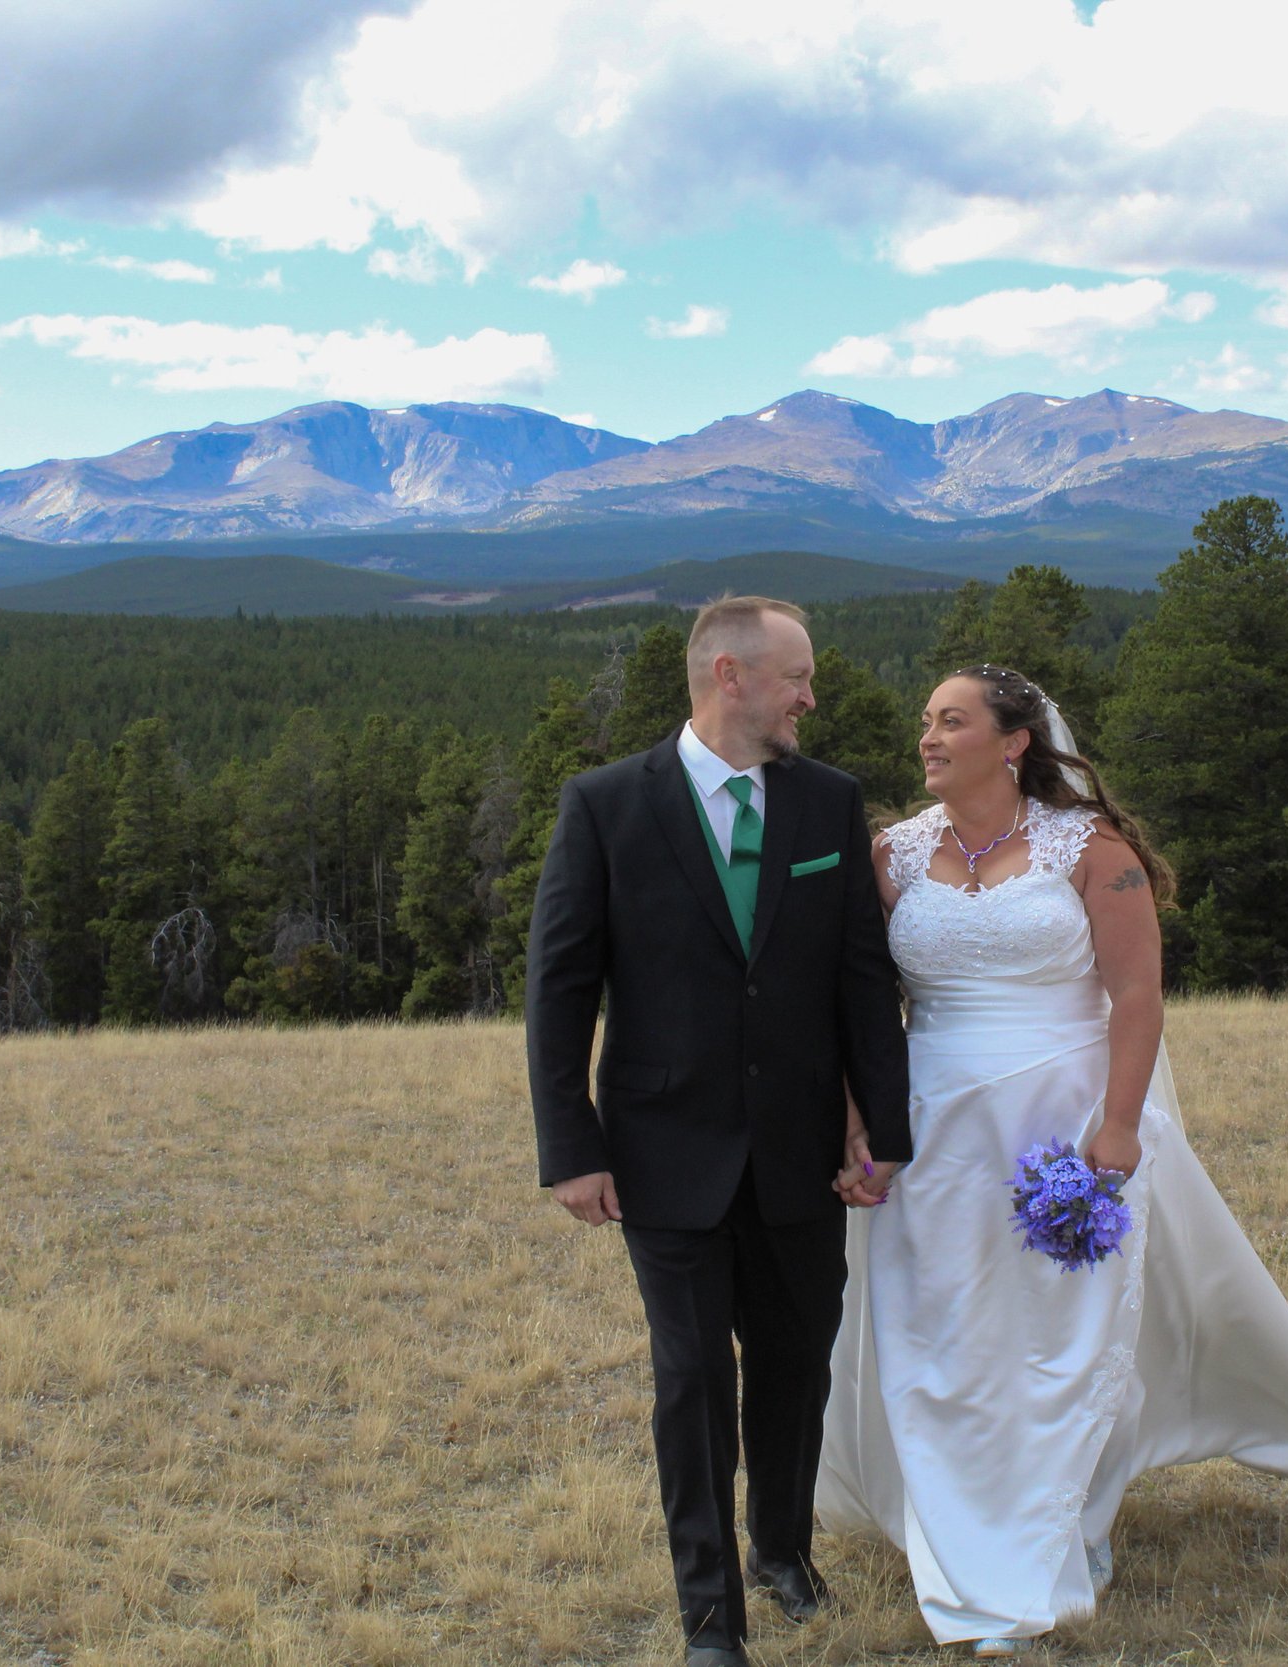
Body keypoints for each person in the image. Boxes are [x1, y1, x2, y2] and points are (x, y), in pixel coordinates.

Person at [816, 663, 1288, 1657]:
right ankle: (956, 1532)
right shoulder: (892, 854)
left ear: (1012, 741)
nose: (927, 736)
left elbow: (1135, 993)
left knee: (1060, 1328)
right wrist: (854, 1122)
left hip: (1064, 1117)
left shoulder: (1093, 851)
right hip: (932, 1124)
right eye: (925, 721)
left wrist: (1119, 1126)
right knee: (938, 1324)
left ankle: (1062, 1521)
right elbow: (856, 1003)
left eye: (950, 721)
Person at [526, 596, 912, 1667]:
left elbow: (859, 977)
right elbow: (560, 987)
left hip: (799, 1152)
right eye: (797, 675)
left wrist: (880, 1131)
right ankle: (709, 1615)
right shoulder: (604, 804)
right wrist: (572, 1144)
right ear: (730, 675)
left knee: (794, 1362)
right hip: (660, 1147)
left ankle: (781, 1550)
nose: (811, 696)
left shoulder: (826, 803)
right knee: (692, 1377)